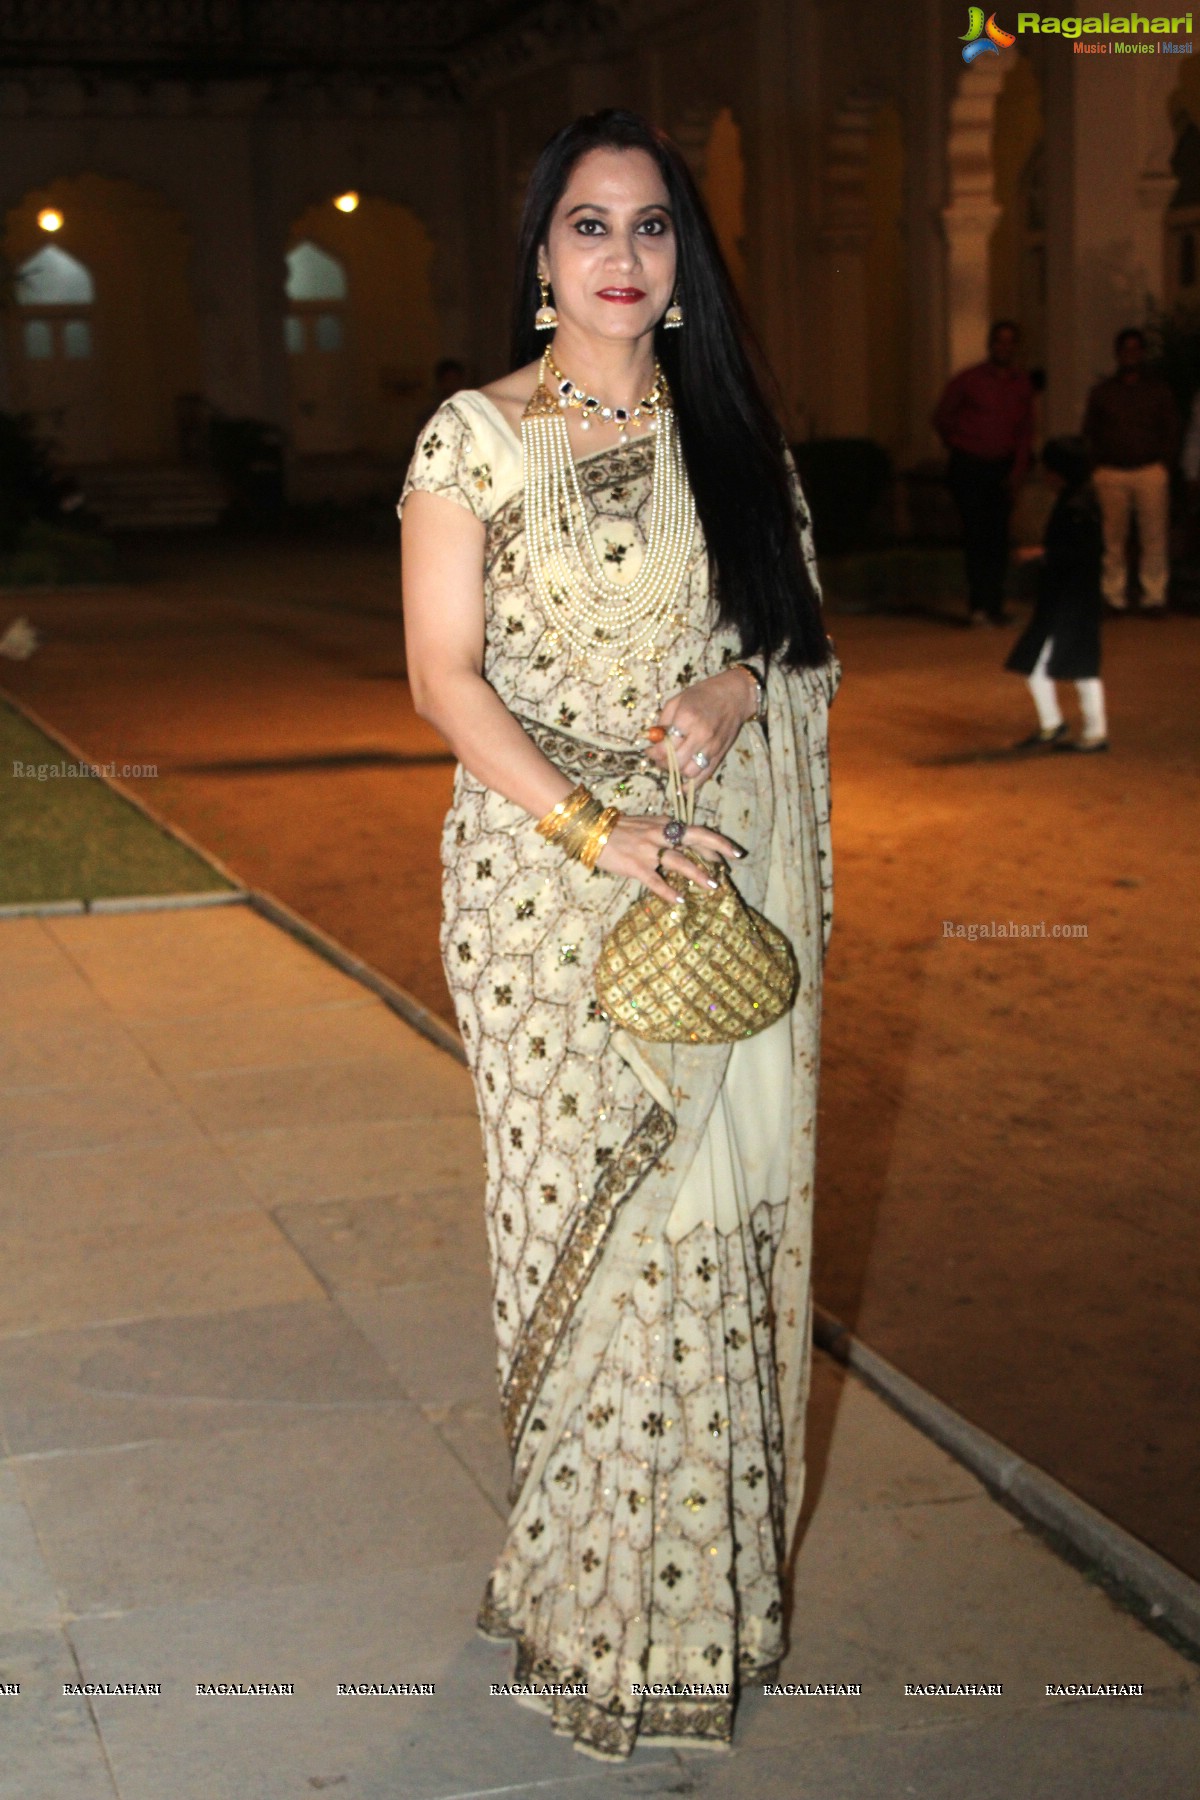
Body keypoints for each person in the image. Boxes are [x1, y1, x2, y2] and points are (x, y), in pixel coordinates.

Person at [399, 108, 838, 1761]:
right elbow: (445, 679)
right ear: (538, 256)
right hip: (539, 889)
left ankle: (676, 1613)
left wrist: (735, 687)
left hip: (700, 880)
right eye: (590, 225)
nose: (623, 256)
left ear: (682, 257)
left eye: (651, 227)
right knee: (580, 1254)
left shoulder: (726, 433)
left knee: (690, 1258)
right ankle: (585, 1604)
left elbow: (790, 643)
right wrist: (601, 829)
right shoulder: (474, 441)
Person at [1006, 436, 1107, 754]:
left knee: (1062, 667)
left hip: (1069, 601)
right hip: (1074, 599)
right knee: (1075, 666)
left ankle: (1086, 731)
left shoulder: (1076, 505)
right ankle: (1080, 729)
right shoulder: (1080, 499)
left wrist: (1040, 552)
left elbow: (1081, 552)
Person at [933, 319, 1035, 626]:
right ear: (991, 344)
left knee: (999, 536)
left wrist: (1018, 470)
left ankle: (995, 604)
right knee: (977, 535)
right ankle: (978, 604)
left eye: (1010, 342)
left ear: (1015, 346)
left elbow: (1025, 431)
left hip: (1002, 467)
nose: (1004, 347)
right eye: (999, 341)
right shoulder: (969, 379)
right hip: (971, 465)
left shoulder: (1021, 384)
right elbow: (942, 416)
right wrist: (960, 443)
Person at [1082, 327, 1179, 614]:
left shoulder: (1158, 391)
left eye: (1136, 349)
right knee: (1113, 538)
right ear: (1117, 354)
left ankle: (1154, 595)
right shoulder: (1103, 392)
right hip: (1111, 471)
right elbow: (1090, 431)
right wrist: (1095, 467)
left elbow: (1172, 429)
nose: (1130, 355)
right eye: (1126, 349)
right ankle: (1113, 595)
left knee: (1154, 536)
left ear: (1142, 353)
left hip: (1149, 469)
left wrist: (1165, 464)